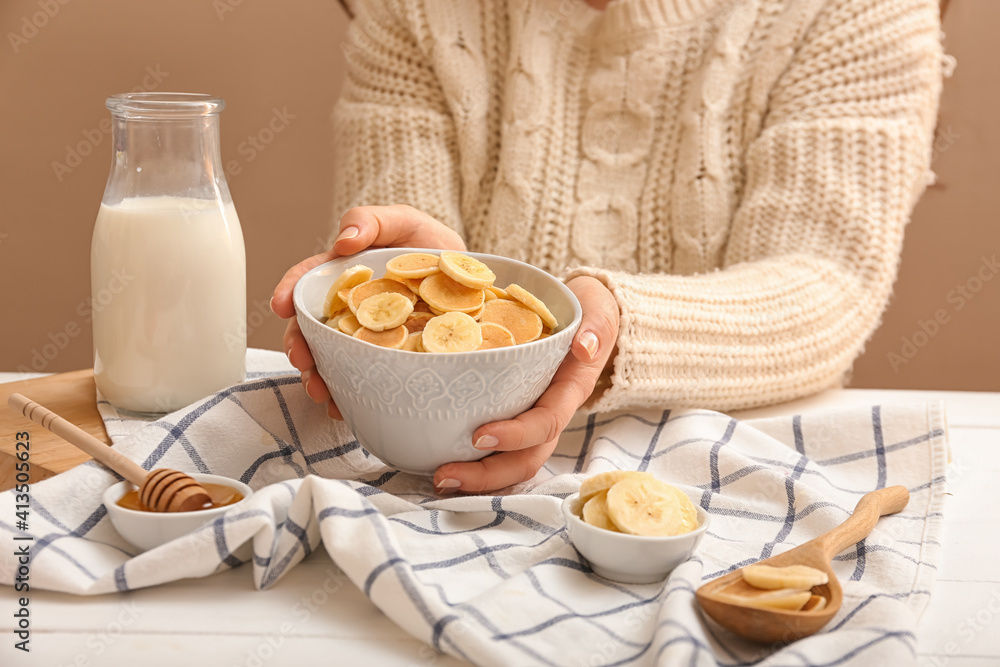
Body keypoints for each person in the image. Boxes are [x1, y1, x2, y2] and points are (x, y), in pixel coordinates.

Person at [271, 0, 946, 493]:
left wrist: (615, 323)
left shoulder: (857, 12)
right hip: (446, 488)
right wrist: (396, 280)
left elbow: (825, 282)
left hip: (741, 479)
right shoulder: (414, 11)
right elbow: (406, 253)